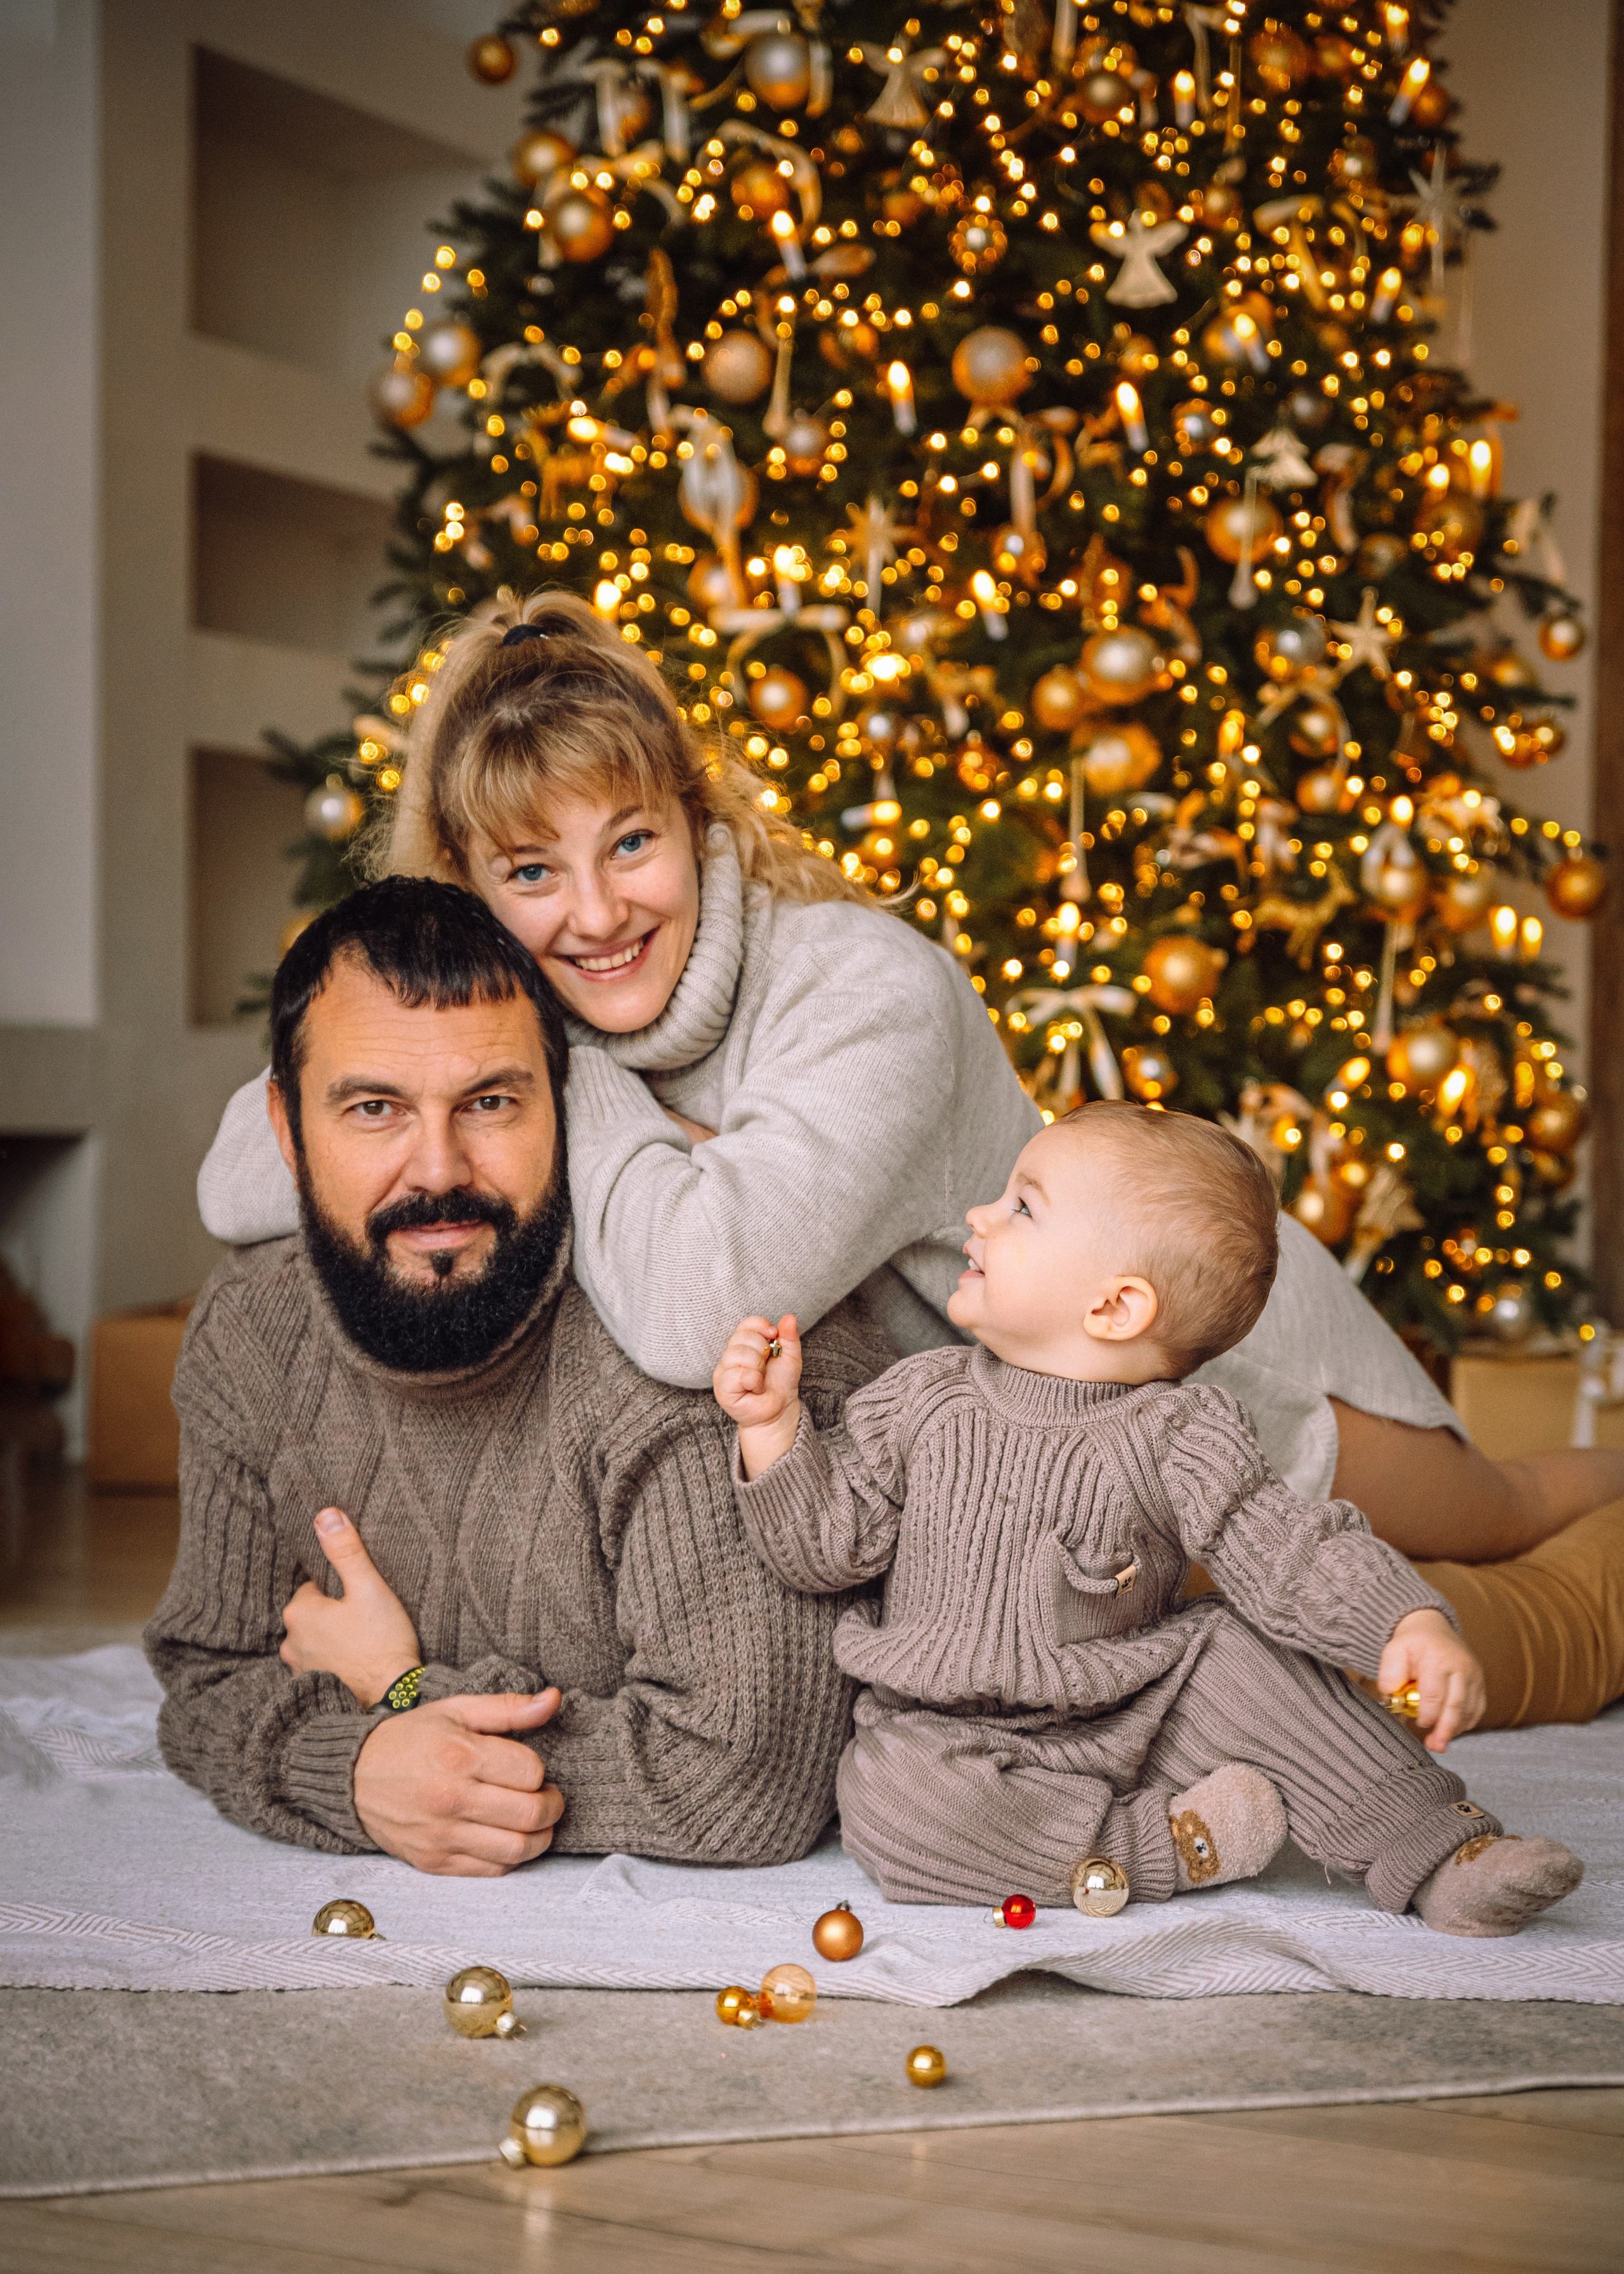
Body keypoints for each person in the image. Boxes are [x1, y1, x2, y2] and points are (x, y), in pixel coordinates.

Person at [195, 593, 1624, 1722]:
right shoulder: (524, 1027)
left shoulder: (862, 989)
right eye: (527, 875)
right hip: (971, 1469)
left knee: (1494, 1521)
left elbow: (703, 1311)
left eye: (629, 842)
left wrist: (563, 1069)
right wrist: (487, 1055)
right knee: (1235, 1657)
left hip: (1172, 1366)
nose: (591, 914)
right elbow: (251, 1171)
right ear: (469, 887)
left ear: (698, 822)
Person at [146, 877, 882, 1873]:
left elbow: (740, 1776)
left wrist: (400, 1700)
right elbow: (206, 1674)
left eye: (490, 1102)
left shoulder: (690, 1351)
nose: (440, 1169)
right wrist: (358, 1772)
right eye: (375, 1109)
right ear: (287, 1131)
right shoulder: (250, 1333)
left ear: (563, 1104)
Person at [714, 1104, 1585, 1936]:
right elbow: (824, 1549)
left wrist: (1407, 1619)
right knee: (894, 1804)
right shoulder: (922, 1397)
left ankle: (1441, 1851)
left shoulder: (1180, 1434)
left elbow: (1287, 1553)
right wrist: (774, 1433)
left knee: (1249, 1658)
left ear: (1114, 1307)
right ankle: (1165, 1845)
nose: (979, 1215)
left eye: (1022, 1206)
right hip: (951, 1732)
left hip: (1139, 1702)